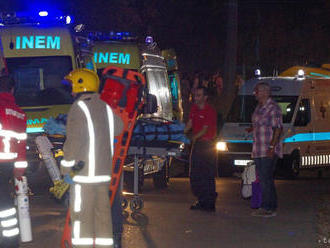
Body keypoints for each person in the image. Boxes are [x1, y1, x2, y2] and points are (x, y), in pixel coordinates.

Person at [60, 68, 123, 247]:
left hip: (83, 176)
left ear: (81, 85)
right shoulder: (105, 107)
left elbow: (73, 142)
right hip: (103, 174)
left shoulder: (79, 107)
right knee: (103, 217)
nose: (71, 90)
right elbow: (118, 127)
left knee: (81, 217)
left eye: (73, 85)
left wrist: (66, 169)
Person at [0, 75, 27, 247]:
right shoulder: (19, 112)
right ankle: (10, 242)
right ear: (12, 90)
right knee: (6, 205)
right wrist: (19, 169)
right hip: (8, 165)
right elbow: (22, 144)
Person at [250, 82, 282, 218]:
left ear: (264, 92)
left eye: (256, 91)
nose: (254, 94)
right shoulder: (259, 107)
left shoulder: (273, 108)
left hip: (267, 148)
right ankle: (267, 205)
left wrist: (271, 147)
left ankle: (269, 207)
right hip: (258, 148)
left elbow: (278, 128)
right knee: (263, 178)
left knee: (266, 178)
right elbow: (260, 124)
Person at [184, 86, 217, 212]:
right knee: (195, 174)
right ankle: (202, 200)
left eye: (198, 95)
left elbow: (205, 129)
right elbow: (190, 123)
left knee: (207, 174)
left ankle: (209, 202)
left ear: (205, 97)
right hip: (198, 144)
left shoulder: (210, 111)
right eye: (195, 95)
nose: (195, 97)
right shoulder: (194, 109)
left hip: (207, 145)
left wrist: (192, 138)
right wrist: (181, 133)